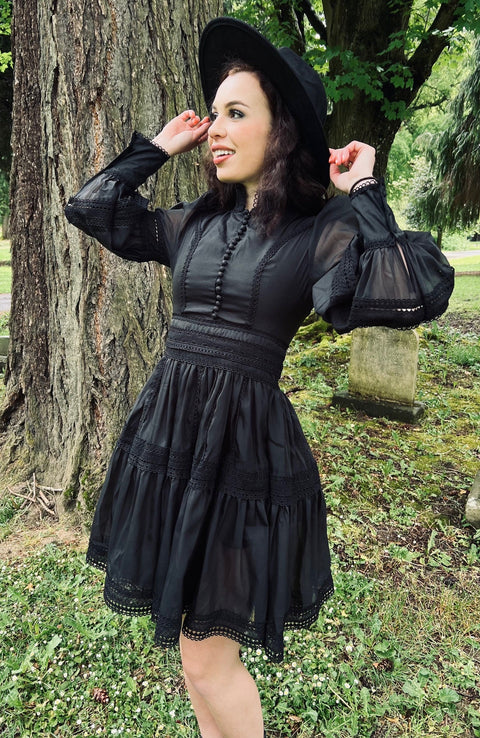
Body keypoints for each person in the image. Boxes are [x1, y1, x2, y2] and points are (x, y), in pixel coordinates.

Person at [65, 17, 453, 738]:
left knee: (208, 659)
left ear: (282, 133)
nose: (215, 129)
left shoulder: (321, 232)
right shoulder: (194, 223)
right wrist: (156, 148)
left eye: (236, 113)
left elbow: (415, 290)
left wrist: (365, 189)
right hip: (173, 444)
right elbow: (91, 207)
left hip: (241, 457)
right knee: (193, 657)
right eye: (213, 114)